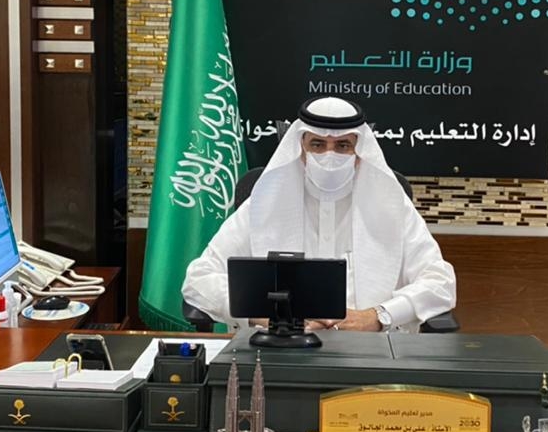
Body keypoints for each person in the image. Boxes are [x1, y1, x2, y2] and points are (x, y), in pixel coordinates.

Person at [181, 96, 456, 332]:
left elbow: (440, 283)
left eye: (343, 146)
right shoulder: (265, 203)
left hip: (370, 350)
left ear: (360, 151)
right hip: (281, 348)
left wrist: (379, 316)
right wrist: (261, 313)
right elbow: (199, 280)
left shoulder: (391, 204)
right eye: (317, 144)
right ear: (300, 148)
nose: (329, 155)